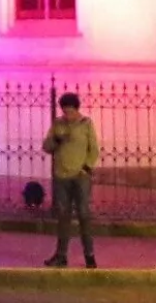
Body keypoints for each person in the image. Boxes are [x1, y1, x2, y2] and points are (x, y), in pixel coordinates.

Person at [42, 92, 100, 269]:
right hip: (62, 176)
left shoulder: (86, 124)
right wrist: (57, 140)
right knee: (63, 217)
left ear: (76, 109)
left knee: (83, 214)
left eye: (70, 112)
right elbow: (46, 147)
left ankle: (89, 255)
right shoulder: (58, 124)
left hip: (80, 177)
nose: (67, 115)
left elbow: (94, 149)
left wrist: (86, 168)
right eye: (64, 112)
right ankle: (61, 255)